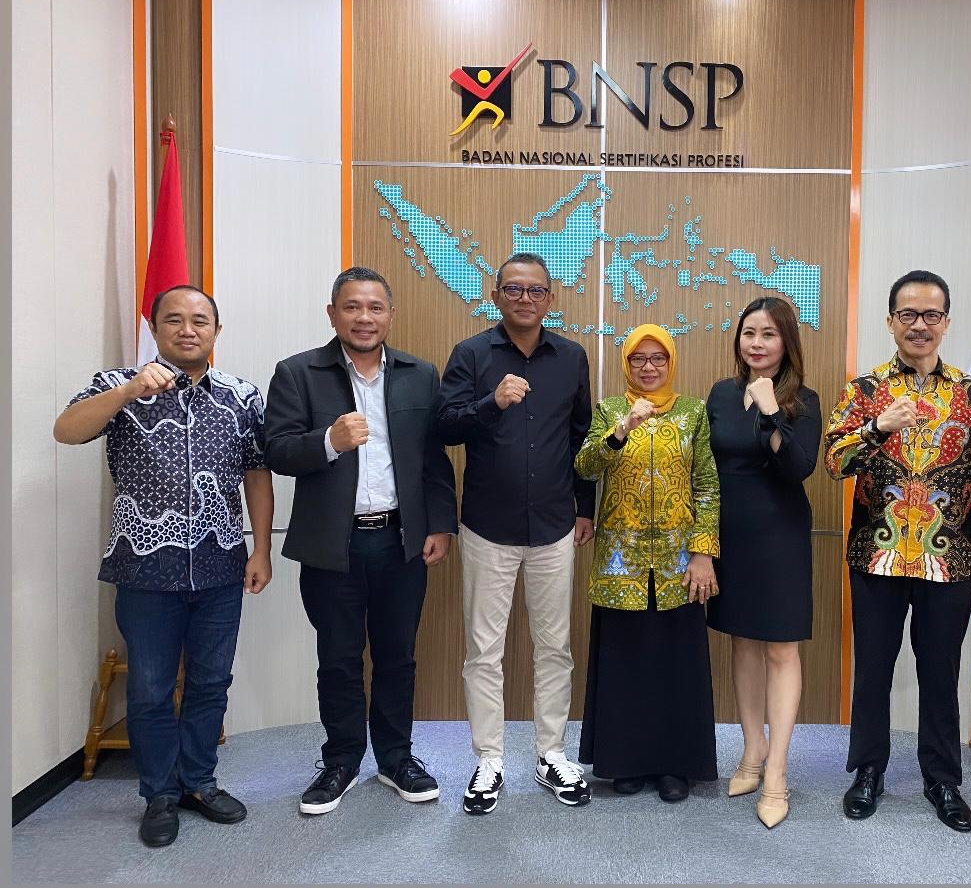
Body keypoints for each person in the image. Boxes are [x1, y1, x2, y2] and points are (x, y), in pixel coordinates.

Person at [53, 285, 273, 848]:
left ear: (217, 331)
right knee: (150, 689)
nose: (188, 329)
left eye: (200, 320)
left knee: (211, 681)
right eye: (173, 319)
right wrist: (129, 390)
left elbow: (257, 474)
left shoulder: (242, 396)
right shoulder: (118, 385)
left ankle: (199, 782)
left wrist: (261, 549)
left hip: (220, 567)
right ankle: (159, 795)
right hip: (144, 570)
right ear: (154, 329)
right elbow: (67, 430)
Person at [824, 270, 971, 833]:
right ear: (891, 322)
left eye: (931, 315)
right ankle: (867, 771)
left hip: (949, 559)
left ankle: (943, 779)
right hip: (876, 556)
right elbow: (833, 462)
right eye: (908, 314)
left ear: (946, 323)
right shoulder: (863, 391)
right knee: (872, 671)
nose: (920, 325)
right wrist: (877, 427)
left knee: (940, 672)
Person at [265, 267, 457, 816]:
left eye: (375, 307)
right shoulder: (298, 373)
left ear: (390, 315)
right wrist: (328, 440)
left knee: (398, 656)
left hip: (400, 540)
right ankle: (341, 760)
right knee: (338, 658)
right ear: (333, 314)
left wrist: (440, 524)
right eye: (352, 307)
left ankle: (396, 758)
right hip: (334, 546)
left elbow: (433, 459)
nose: (364, 317)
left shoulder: (420, 374)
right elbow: (276, 450)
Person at [437, 252, 595, 815]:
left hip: (554, 525)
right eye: (513, 289)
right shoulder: (471, 354)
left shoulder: (571, 357)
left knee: (555, 647)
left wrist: (585, 508)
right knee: (484, 650)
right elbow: (444, 426)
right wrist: (491, 402)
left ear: (550, 298)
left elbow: (581, 436)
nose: (524, 299)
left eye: (535, 290)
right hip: (488, 526)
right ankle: (489, 758)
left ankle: (551, 753)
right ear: (496, 295)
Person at [575, 324, 721, 802]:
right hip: (623, 559)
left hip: (679, 560)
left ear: (671, 362)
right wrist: (621, 430)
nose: (649, 367)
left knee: (676, 663)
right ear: (627, 364)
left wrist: (703, 551)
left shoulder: (693, 412)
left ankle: (676, 765)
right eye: (639, 359)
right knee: (626, 662)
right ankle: (626, 762)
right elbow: (585, 466)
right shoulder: (609, 410)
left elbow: (707, 485)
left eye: (659, 358)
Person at [705, 297, 821, 829]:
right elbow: (708, 466)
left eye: (769, 334)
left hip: (780, 536)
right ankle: (752, 751)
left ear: (786, 342)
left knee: (780, 648)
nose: (756, 343)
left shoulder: (805, 400)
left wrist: (773, 410)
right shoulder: (720, 395)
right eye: (749, 332)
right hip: (731, 534)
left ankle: (777, 771)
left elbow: (798, 468)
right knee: (743, 641)